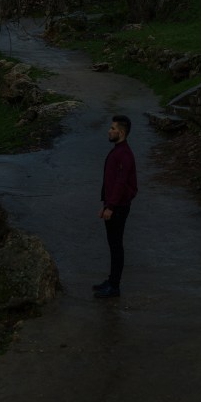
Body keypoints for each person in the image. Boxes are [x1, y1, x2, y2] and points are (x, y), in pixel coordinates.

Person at [93, 114, 138, 299]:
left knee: (116, 246)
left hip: (118, 207)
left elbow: (120, 184)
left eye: (112, 129)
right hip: (113, 205)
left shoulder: (124, 154)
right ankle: (111, 281)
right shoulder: (118, 151)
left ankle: (114, 287)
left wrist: (110, 207)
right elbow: (111, 183)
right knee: (113, 245)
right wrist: (105, 204)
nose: (109, 131)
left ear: (120, 132)